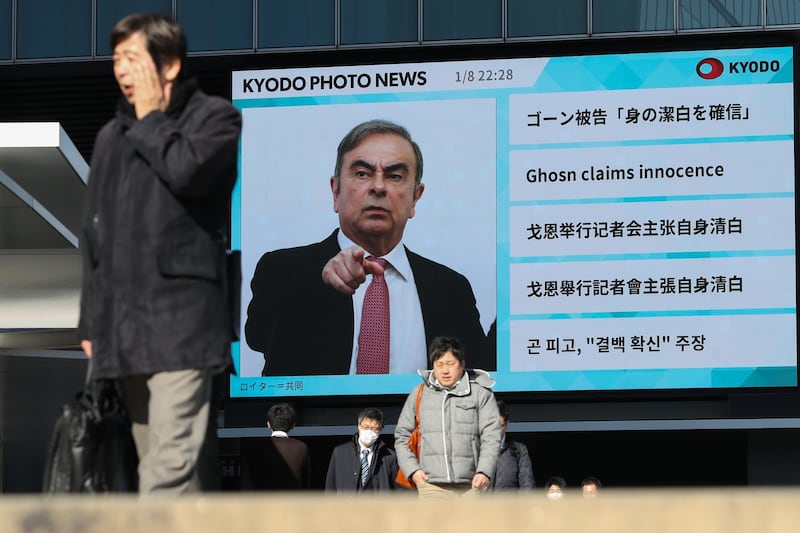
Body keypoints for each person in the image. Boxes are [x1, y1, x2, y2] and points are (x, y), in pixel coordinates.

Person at [77, 13, 242, 494]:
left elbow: (188, 172)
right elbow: (94, 236)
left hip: (183, 326)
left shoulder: (216, 118)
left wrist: (150, 118)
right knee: (166, 468)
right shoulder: (110, 136)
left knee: (165, 473)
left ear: (168, 66)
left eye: (132, 58)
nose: (121, 70)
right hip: (123, 330)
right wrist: (90, 324)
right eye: (116, 59)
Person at [245, 119, 490, 376]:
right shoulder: (283, 268)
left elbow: (479, 378)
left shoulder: (450, 289)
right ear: (336, 191)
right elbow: (258, 336)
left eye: (395, 176)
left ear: (415, 197)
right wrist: (320, 280)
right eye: (362, 173)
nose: (379, 186)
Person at [394, 336, 501, 499]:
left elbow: (491, 436)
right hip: (431, 486)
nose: (445, 370)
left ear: (462, 365)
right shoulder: (419, 394)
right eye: (440, 364)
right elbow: (402, 436)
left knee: (470, 526)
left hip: (472, 486)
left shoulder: (480, 393)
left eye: (450, 364)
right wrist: (413, 471)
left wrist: (484, 471)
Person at [240, 403, 311, 491]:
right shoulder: (301, 447)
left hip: (265, 501)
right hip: (293, 502)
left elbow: (252, 477)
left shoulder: (257, 447)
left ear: (268, 425)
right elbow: (306, 481)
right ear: (293, 425)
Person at [325, 407, 398, 491]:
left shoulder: (389, 456)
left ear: (380, 430)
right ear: (359, 426)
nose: (369, 432)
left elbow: (398, 490)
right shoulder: (340, 452)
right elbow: (330, 486)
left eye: (374, 429)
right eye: (366, 427)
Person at [490, 400, 535, 490]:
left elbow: (527, 485)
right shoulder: (475, 448)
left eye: (499, 426)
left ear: (506, 424)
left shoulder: (519, 450)